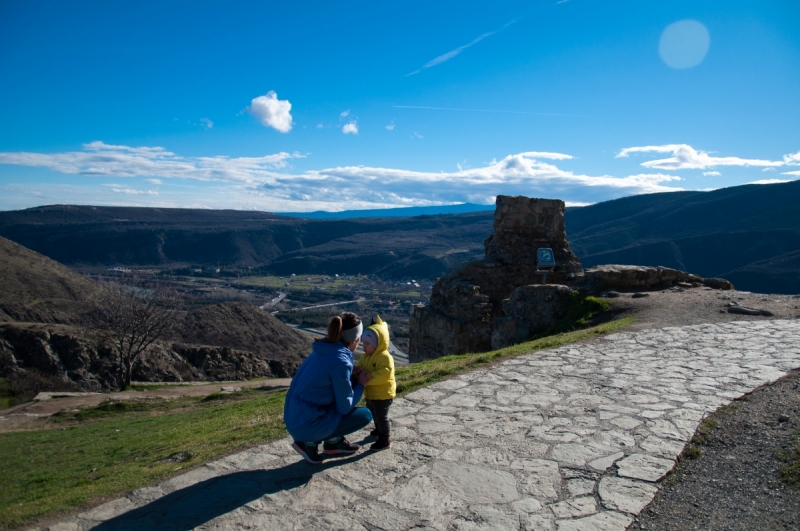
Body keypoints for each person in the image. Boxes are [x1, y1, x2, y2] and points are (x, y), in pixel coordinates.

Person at [284, 312, 373, 464]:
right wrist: (361, 385)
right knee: (365, 415)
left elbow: (323, 379)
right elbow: (345, 407)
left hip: (294, 415)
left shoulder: (323, 349)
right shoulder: (340, 361)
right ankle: (308, 443)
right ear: (355, 339)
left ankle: (333, 442)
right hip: (306, 425)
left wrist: (350, 374)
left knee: (342, 394)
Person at [356, 315, 396, 451]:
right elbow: (361, 365)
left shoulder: (385, 357)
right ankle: (378, 429)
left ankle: (385, 437)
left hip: (383, 394)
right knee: (373, 413)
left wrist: (368, 377)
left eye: (367, 344)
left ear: (378, 344)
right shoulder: (364, 356)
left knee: (382, 416)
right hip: (371, 393)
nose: (364, 346)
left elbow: (385, 374)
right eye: (363, 343)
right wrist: (357, 370)